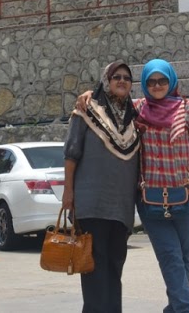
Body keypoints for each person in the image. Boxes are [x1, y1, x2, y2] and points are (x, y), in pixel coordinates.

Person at [82, 58, 189, 313]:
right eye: (151, 81)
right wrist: (89, 94)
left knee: (183, 260)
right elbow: (108, 102)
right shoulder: (137, 110)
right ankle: (185, 309)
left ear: (171, 81)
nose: (157, 85)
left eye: (162, 80)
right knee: (171, 259)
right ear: (145, 85)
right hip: (151, 203)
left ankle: (175, 307)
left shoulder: (186, 109)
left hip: (184, 200)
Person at [62, 60, 141, 313]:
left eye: (126, 78)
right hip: (92, 205)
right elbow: (71, 153)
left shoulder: (134, 118)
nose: (121, 81)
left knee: (115, 268)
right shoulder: (86, 111)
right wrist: (68, 193)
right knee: (94, 269)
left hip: (120, 208)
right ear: (106, 81)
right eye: (115, 76)